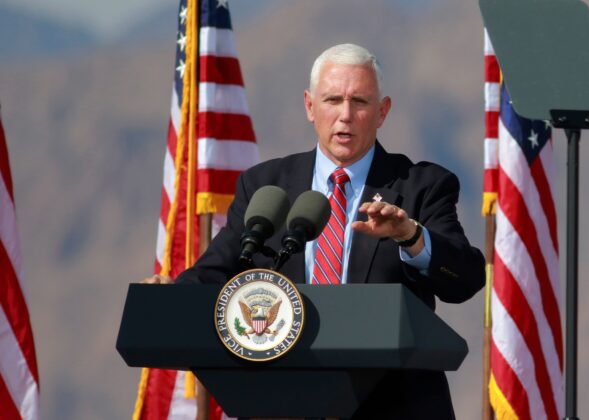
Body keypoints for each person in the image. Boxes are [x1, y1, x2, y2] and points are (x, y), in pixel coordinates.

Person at [145, 43, 485, 420]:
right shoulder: (266, 187)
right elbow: (218, 269)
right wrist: (170, 299)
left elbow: (465, 278)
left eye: (359, 102)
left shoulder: (422, 186)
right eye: (332, 100)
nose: (345, 116)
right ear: (309, 106)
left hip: (395, 407)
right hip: (285, 401)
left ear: (382, 112)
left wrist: (410, 235)